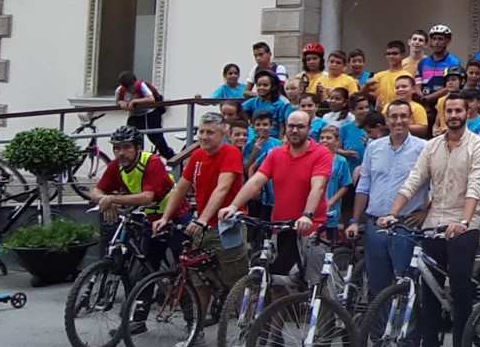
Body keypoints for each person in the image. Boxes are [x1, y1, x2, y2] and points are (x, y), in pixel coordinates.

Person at [386, 96, 480, 347]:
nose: (454, 114)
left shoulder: (478, 146)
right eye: (450, 111)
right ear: (443, 114)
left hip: (463, 225)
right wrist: (392, 213)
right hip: (433, 223)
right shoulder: (432, 146)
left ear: (467, 113)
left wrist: (464, 221)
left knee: (459, 289)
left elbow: (475, 187)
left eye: (459, 110)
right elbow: (415, 179)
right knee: (428, 290)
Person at [220, 111, 331, 291]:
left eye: (300, 126)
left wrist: (307, 215)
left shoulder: (321, 153)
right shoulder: (276, 153)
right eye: (291, 126)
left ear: (310, 129)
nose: (295, 130)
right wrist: (234, 206)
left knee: (315, 284)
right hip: (282, 226)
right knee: (276, 280)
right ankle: (273, 319)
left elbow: (317, 186)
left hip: (310, 227)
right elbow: (256, 181)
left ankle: (326, 316)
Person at [155, 111, 249, 291]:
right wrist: (165, 217)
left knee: (236, 280)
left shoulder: (231, 153)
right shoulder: (197, 155)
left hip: (227, 225)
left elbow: (222, 188)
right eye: (201, 132)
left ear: (223, 134)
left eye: (210, 132)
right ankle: (200, 318)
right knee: (198, 279)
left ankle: (242, 318)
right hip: (203, 226)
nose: (204, 136)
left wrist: (203, 219)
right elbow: (181, 188)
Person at [351, 105, 428, 296]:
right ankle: (379, 326)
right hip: (375, 224)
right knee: (378, 285)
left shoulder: (424, 148)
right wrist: (354, 220)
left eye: (403, 116)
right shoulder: (373, 147)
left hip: (405, 225)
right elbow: (364, 186)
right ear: (386, 120)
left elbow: (437, 184)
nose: (398, 121)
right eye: (393, 116)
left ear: (411, 118)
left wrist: (426, 212)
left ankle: (405, 326)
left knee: (405, 283)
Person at [93, 126, 180, 270]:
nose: (121, 153)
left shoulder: (152, 161)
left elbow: (147, 197)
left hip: (176, 214)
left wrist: (111, 199)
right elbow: (96, 192)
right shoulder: (116, 165)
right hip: (151, 217)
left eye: (127, 147)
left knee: (184, 263)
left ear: (138, 147)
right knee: (145, 270)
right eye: (117, 148)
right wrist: (106, 201)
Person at [115, 70, 174, 159]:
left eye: (133, 87)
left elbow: (151, 98)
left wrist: (135, 101)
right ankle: (137, 160)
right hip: (134, 115)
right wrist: (121, 103)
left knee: (157, 139)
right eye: (129, 89)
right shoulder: (120, 91)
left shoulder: (141, 85)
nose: (132, 91)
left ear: (135, 82)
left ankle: (171, 157)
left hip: (150, 114)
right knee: (132, 139)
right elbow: (118, 101)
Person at [317, 125, 355, 231]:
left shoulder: (341, 161)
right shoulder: (314, 159)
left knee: (329, 236)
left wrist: (331, 202)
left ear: (337, 140)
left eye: (328, 138)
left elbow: (345, 185)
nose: (324, 141)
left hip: (332, 205)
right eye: (322, 137)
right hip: (315, 205)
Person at [417, 24, 462, 108]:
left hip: (444, 104)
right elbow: (418, 84)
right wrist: (422, 99)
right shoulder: (423, 62)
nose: (436, 42)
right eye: (434, 39)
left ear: (447, 41)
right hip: (424, 104)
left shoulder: (454, 62)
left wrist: (427, 98)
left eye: (440, 39)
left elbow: (451, 86)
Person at [241, 70, 293, 135]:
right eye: (259, 85)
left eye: (265, 85)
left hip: (274, 138)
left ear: (273, 87)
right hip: (256, 137)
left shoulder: (282, 103)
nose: (261, 88)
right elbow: (239, 109)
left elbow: (282, 126)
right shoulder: (254, 101)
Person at [366, 40, 410, 112]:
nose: (391, 56)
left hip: (400, 114)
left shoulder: (407, 76)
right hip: (381, 114)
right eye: (388, 54)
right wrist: (366, 86)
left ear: (403, 55)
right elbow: (362, 94)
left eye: (394, 53)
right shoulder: (379, 75)